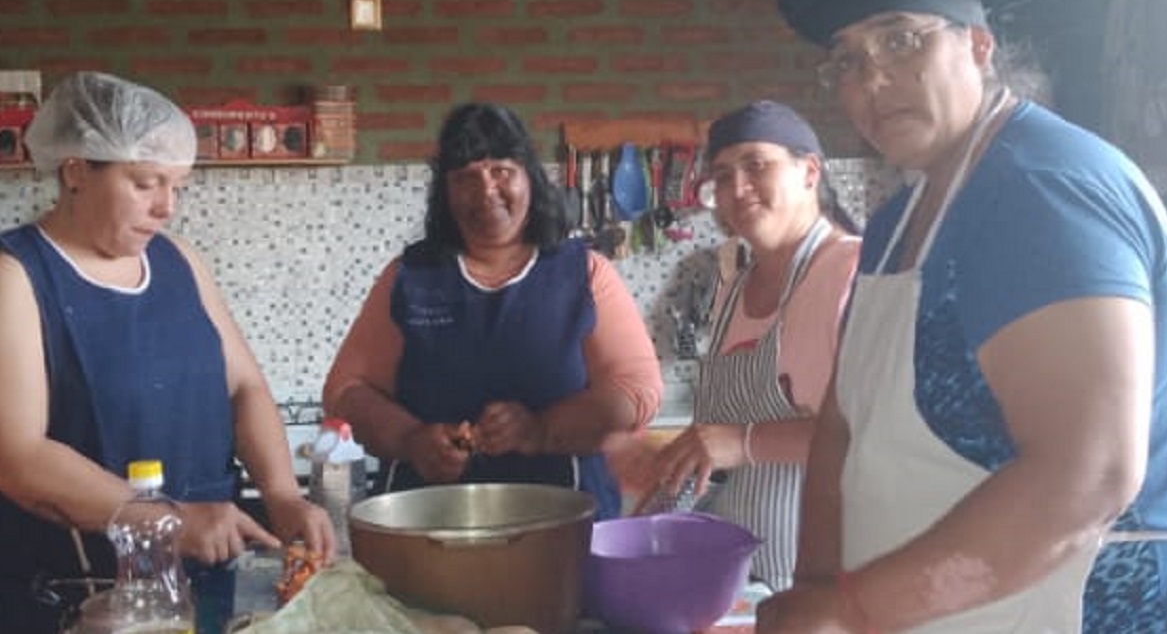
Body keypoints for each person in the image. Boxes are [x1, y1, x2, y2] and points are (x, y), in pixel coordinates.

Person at [758, 0, 1167, 633]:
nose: (870, 80)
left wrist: (850, 608)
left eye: (901, 40)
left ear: (979, 46)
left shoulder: (1041, 193)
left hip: (1087, 608)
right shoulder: (897, 223)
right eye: (847, 60)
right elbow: (844, 427)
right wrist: (814, 583)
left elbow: (1087, 475)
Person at [0, 72, 336, 634]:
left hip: (199, 588)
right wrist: (167, 523)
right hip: (75, 602)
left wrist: (281, 494)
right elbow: (20, 457)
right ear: (76, 169)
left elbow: (245, 387)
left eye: (176, 186)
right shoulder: (18, 275)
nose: (166, 207)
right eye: (146, 183)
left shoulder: (178, 262)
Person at [322, 101, 662, 520]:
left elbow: (637, 390)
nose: (486, 191)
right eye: (466, 178)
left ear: (529, 179)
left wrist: (542, 431)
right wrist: (411, 439)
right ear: (445, 194)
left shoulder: (586, 274)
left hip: (566, 531)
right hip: (426, 529)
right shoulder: (409, 277)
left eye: (501, 171)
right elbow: (345, 391)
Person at [632, 100, 861, 591]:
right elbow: (721, 435)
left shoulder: (847, 272)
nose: (737, 188)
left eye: (757, 165)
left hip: (824, 579)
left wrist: (744, 442)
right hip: (743, 575)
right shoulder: (736, 281)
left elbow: (876, 434)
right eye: (722, 174)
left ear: (809, 171)